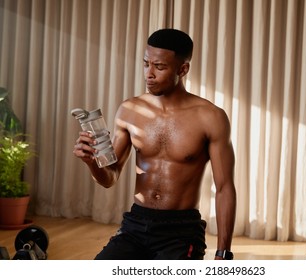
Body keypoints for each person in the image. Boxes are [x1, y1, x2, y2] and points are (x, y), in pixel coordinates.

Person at [73, 28, 236, 260]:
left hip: (181, 231)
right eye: (146, 63)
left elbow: (224, 188)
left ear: (183, 69)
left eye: (159, 67)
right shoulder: (130, 110)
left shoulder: (210, 117)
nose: (149, 73)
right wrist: (91, 162)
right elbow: (110, 177)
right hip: (136, 224)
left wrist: (223, 252)